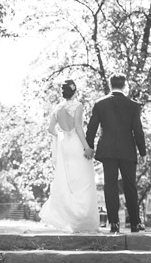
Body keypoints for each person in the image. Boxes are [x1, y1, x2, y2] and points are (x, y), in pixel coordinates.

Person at [86, 74, 147, 234]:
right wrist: (143, 151)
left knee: (110, 185)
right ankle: (134, 223)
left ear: (110, 84)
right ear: (124, 85)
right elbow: (138, 131)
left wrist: (89, 147)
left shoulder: (100, 104)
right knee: (130, 186)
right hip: (127, 150)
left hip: (108, 150)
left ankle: (114, 223)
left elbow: (91, 128)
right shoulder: (133, 106)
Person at [39, 79, 100, 233]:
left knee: (69, 181)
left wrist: (61, 136)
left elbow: (50, 129)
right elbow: (79, 128)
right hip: (77, 145)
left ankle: (70, 219)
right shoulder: (78, 106)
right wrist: (87, 147)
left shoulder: (57, 108)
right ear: (74, 91)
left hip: (65, 146)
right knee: (83, 180)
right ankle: (82, 219)